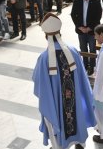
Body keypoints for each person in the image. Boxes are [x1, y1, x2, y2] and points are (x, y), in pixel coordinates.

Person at [33, 13, 96, 149]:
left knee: (56, 119)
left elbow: (38, 84)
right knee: (76, 114)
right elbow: (82, 78)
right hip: (74, 100)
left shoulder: (44, 58)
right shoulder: (73, 51)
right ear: (60, 33)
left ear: (46, 36)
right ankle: (79, 143)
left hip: (55, 103)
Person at [71, 0, 102, 75]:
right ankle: (84, 65)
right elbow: (73, 14)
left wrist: (89, 28)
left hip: (92, 30)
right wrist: (79, 26)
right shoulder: (77, 0)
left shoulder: (96, 1)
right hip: (81, 30)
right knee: (83, 48)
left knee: (92, 49)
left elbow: (98, 16)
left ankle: (92, 66)